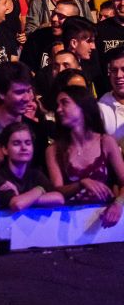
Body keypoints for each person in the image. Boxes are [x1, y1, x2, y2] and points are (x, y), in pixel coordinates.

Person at [46, 86, 124, 228]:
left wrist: (118, 204)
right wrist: (82, 183)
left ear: (82, 105)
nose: (58, 109)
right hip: (71, 223)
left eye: (65, 103)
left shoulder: (106, 142)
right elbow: (57, 190)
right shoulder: (54, 150)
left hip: (104, 220)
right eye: (57, 105)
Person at [0, 123, 64, 211]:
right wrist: (40, 190)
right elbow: (17, 204)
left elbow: (59, 198)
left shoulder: (36, 175)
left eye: (28, 143)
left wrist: (27, 199)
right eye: (16, 143)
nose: (24, 147)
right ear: (5, 149)